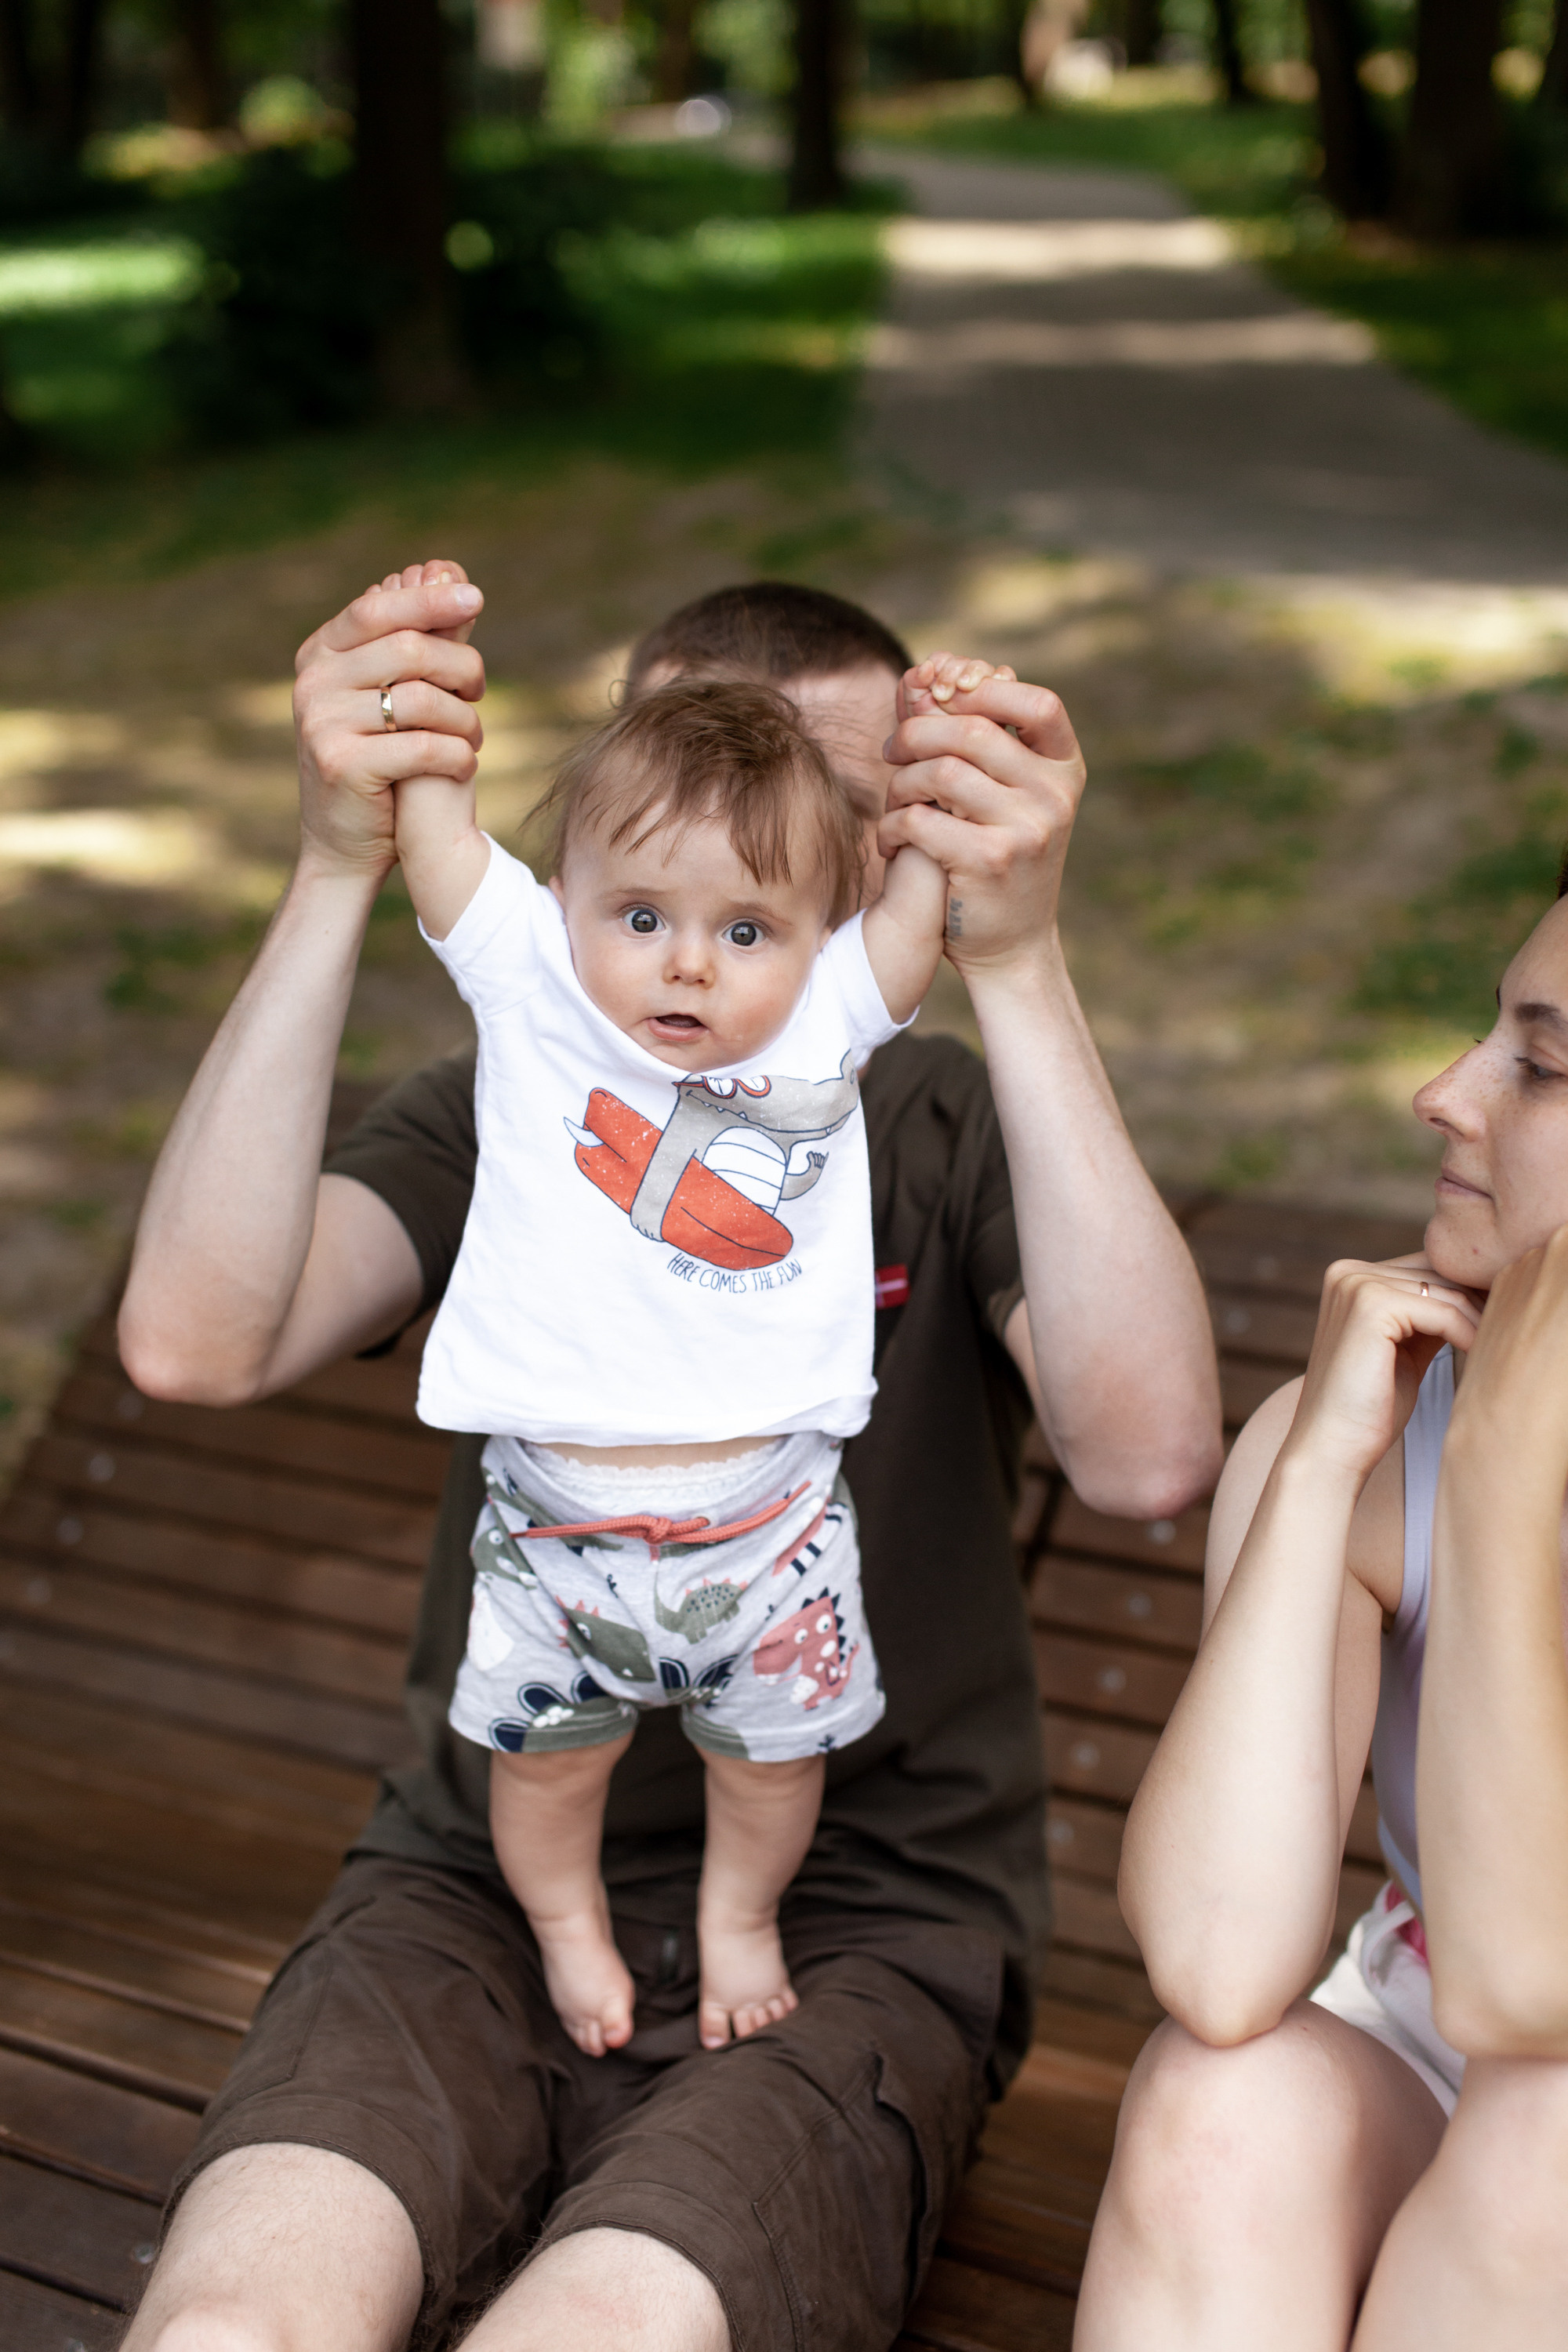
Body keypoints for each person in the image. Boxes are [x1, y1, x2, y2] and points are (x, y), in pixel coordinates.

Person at [116, 566, 1221, 2352]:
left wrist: (1015, 962)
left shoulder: (937, 1119)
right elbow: (195, 1342)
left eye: (802, 817)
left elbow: (1150, 1450)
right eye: (665, 830)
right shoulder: (517, 1096)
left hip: (861, 1917)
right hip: (474, 1875)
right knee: (227, 2328)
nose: (710, 900)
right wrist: (333, 863)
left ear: (883, 862)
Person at [396, 662, 947, 2056]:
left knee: (773, 1768)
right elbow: (439, 841)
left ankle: (738, 1916)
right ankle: (566, 1920)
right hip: (555, 1533)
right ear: (564, 902)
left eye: (746, 929)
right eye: (641, 917)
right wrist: (421, 708)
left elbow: (920, 905)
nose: (688, 962)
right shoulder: (534, 985)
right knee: (542, 1770)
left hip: (769, 1531)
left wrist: (948, 773)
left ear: (819, 936)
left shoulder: (828, 1012)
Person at [1076, 880, 1568, 2350]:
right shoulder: (1382, 1429)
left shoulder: (1479, 1452)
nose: (1445, 1094)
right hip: (1451, 2047)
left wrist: (1501, 1484)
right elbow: (1216, 1963)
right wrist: (1317, 1468)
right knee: (1217, 2112)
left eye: (1542, 1066)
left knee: (1543, 2148)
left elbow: (1530, 1985)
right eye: (1488, 1033)